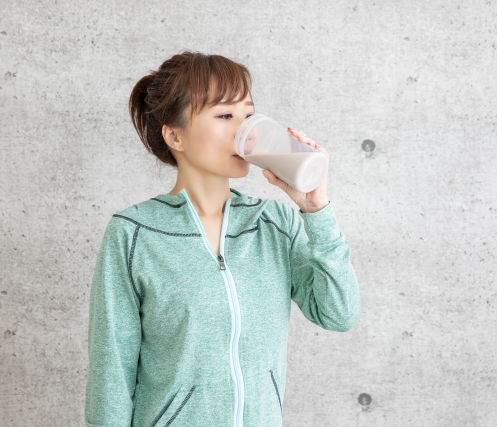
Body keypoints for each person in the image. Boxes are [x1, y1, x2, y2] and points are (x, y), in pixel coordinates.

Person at [84, 50, 361, 427]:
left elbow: (339, 313)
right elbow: (110, 375)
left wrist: (317, 209)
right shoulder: (134, 234)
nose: (245, 129)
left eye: (248, 115)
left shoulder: (274, 223)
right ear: (175, 135)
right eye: (225, 116)